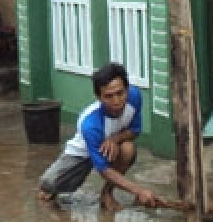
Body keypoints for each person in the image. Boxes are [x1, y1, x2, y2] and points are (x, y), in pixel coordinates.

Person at [37, 62, 161, 211]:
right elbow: (104, 171)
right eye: (108, 96)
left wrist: (115, 139)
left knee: (128, 149)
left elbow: (135, 131)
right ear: (98, 97)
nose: (116, 101)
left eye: (120, 93)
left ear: (127, 90)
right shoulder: (90, 124)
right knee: (48, 184)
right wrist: (139, 191)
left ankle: (106, 194)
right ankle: (52, 190)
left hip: (109, 148)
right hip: (81, 154)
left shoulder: (135, 98)